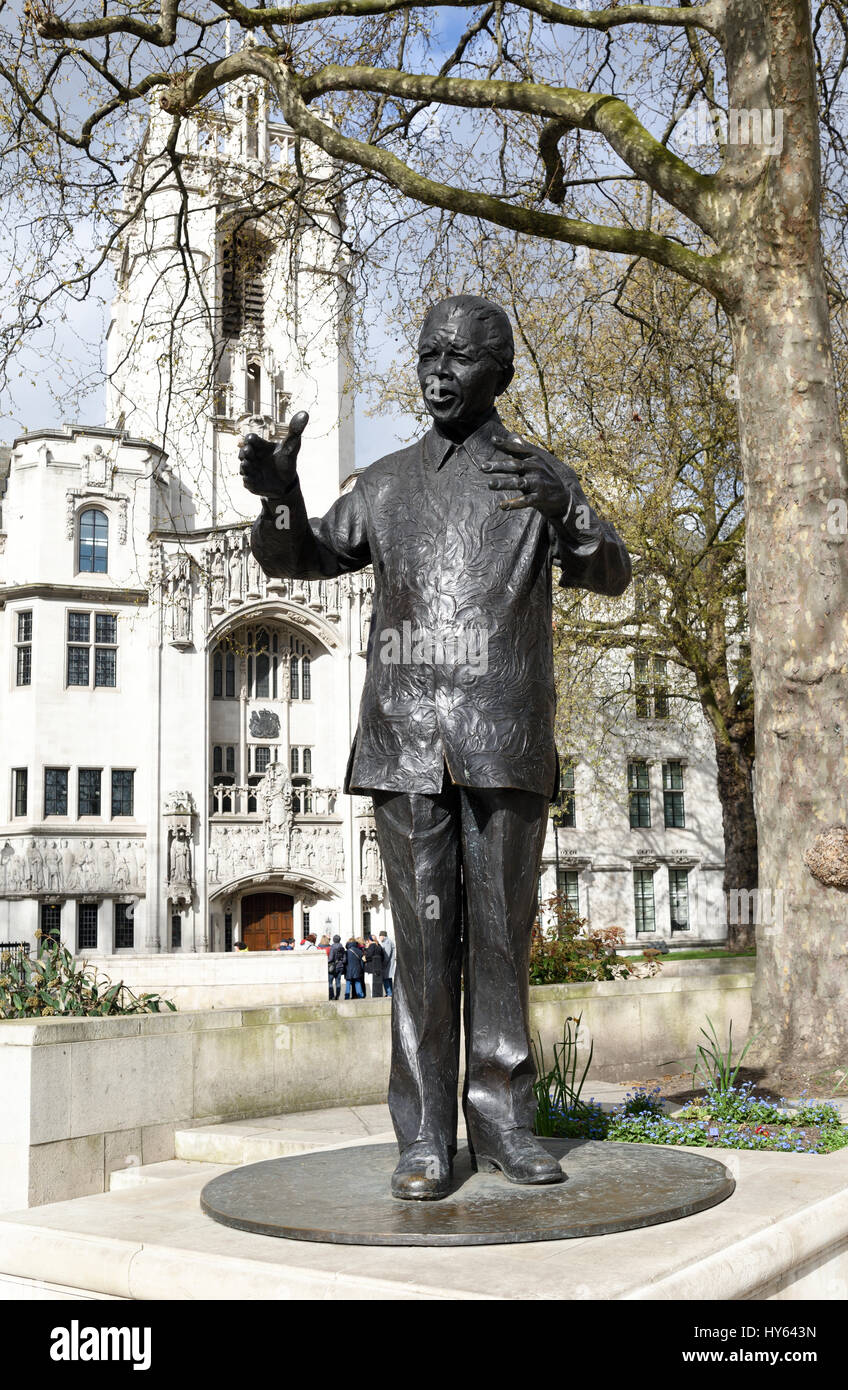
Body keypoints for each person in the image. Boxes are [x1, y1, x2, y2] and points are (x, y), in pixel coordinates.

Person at [242, 294, 630, 1200]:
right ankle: (422, 1137)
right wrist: (280, 498)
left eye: (457, 357)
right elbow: (299, 558)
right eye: (426, 356)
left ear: (499, 371)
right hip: (406, 744)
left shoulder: (538, 476)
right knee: (419, 951)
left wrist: (571, 510)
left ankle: (502, 1125)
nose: (437, 372)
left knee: (501, 946)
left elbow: (609, 572)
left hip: (504, 738)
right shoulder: (383, 483)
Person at [362, 933, 385, 999]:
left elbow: (369, 955)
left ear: (369, 940)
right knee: (377, 983)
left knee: (371, 983)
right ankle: (377, 995)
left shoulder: (372, 946)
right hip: (378, 967)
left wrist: (364, 958)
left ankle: (373, 996)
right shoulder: (379, 946)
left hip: (371, 967)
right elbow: (382, 957)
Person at [328, 933, 346, 1001]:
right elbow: (344, 959)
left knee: (330, 982)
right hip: (340, 966)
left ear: (333, 940)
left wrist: (327, 961)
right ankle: (337, 996)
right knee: (338, 982)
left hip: (333, 967)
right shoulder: (342, 948)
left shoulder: (332, 948)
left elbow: (331, 958)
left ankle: (332, 995)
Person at [379, 930, 395, 998]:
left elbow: (387, 955)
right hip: (388, 964)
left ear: (382, 936)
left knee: (386, 979)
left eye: (379, 936)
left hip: (387, 965)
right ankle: (390, 992)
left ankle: (389, 993)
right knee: (388, 979)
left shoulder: (387, 942)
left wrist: (383, 964)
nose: (379, 938)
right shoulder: (387, 941)